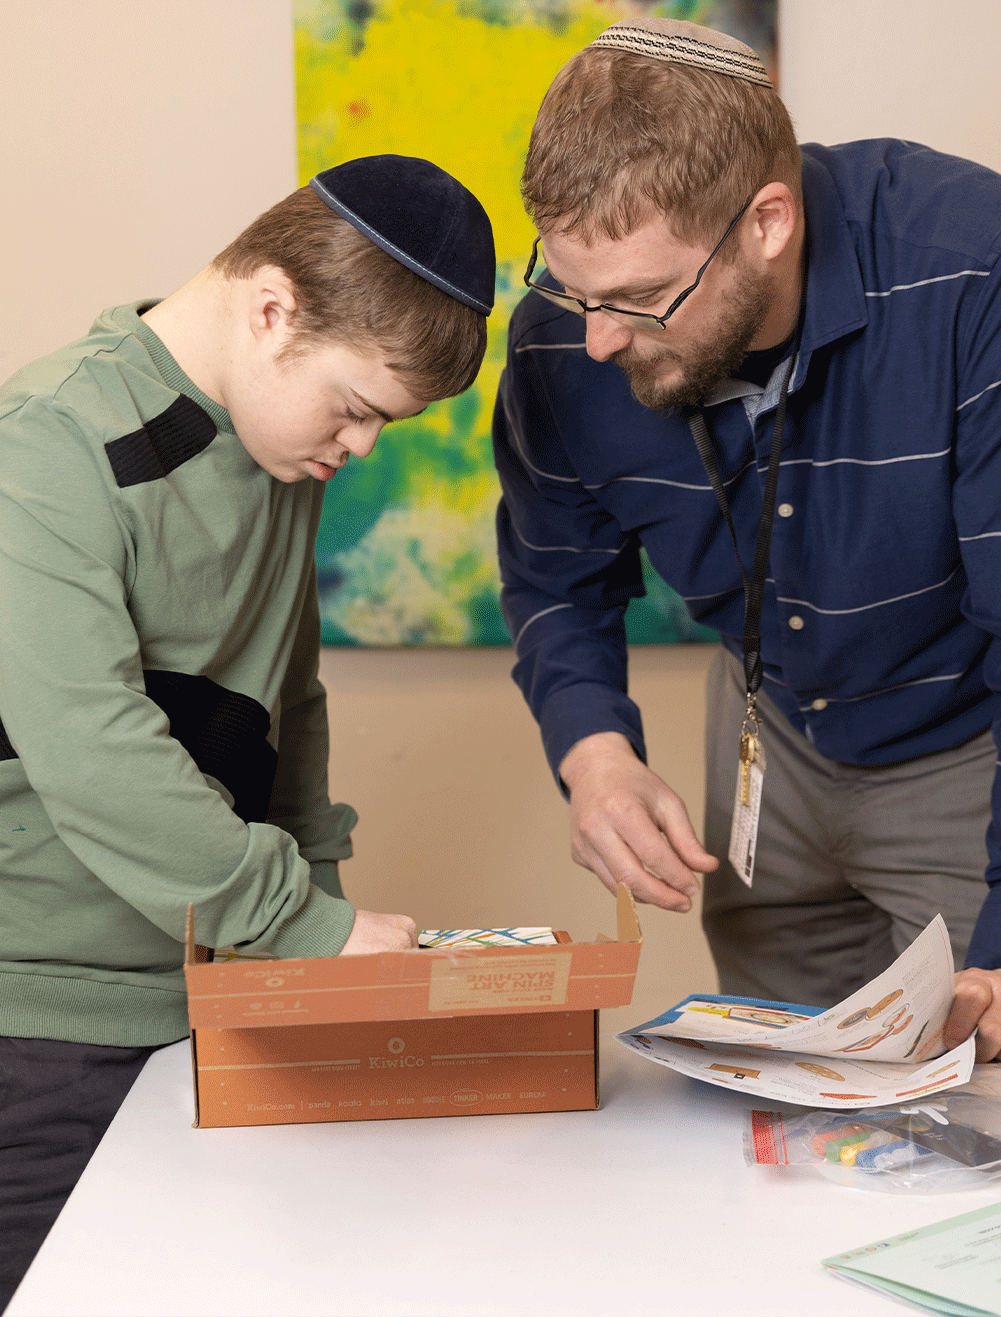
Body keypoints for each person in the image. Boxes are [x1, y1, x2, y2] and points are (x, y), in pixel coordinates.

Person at [0, 154, 495, 1306]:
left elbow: (287, 703)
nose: (359, 447)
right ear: (272, 308)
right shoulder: (47, 442)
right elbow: (93, 751)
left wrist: (317, 941)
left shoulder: (279, 450)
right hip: (44, 1029)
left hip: (219, 998)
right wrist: (302, 926)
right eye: (357, 409)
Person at [493, 17, 1001, 1059]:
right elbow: (556, 580)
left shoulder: (970, 272)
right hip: (768, 728)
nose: (596, 340)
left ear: (767, 221)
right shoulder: (569, 332)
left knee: (966, 1093)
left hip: (966, 744)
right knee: (785, 1097)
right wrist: (595, 758)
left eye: (641, 299)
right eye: (572, 291)